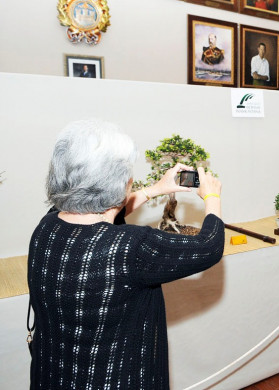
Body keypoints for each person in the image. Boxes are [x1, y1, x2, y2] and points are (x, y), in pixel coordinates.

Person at [28, 119, 225, 389]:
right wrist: (211, 196)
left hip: (54, 376)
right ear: (123, 185)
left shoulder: (47, 225)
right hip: (117, 379)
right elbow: (209, 246)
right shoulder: (130, 247)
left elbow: (99, 211)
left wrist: (155, 189)